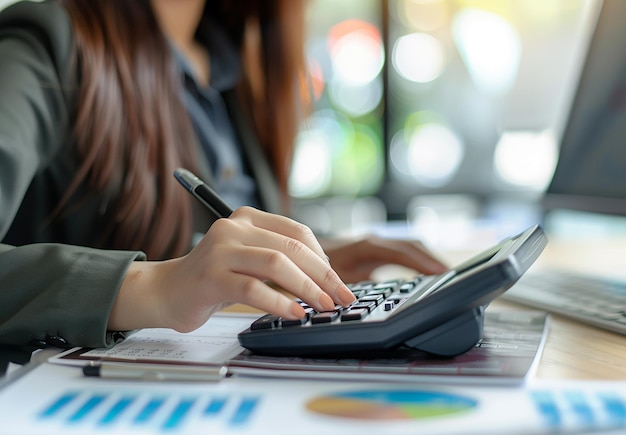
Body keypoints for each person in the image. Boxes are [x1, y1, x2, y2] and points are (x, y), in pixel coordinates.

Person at [0, 0, 447, 351]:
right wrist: (153, 287)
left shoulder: (238, 65)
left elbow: (212, 244)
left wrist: (303, 258)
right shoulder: (45, 44)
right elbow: (184, 269)